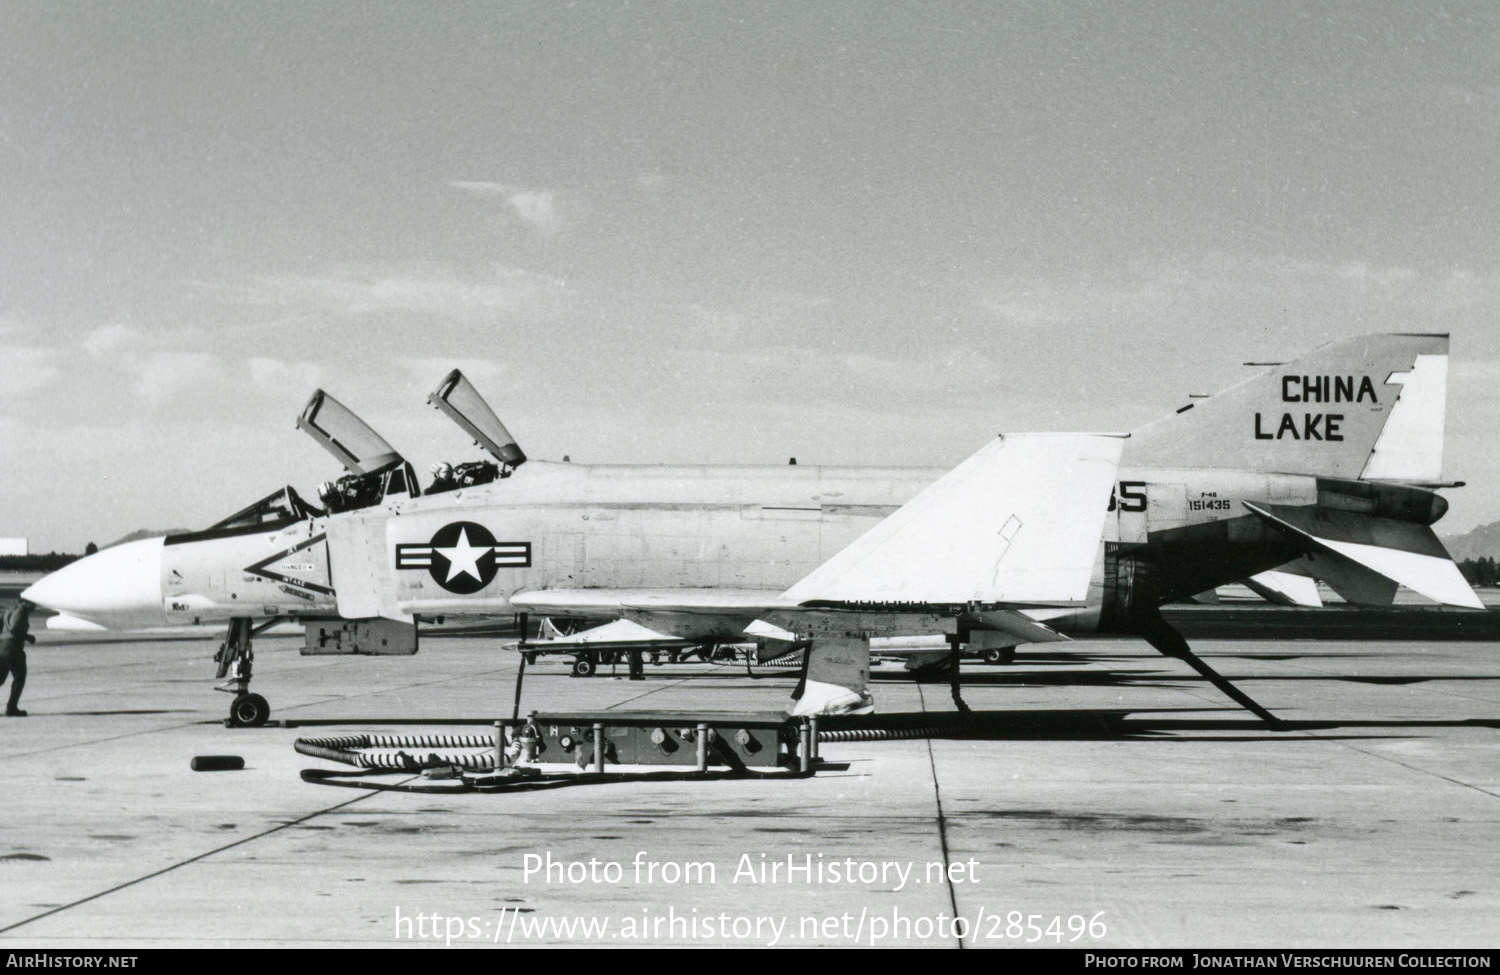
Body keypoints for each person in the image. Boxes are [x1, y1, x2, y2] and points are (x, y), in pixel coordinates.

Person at [1, 600, 36, 717]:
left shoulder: (10, 609)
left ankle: (11, 707)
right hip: (13, 647)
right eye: (32, 603)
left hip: (3, 646)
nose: (34, 606)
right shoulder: (21, 611)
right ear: (25, 602)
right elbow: (15, 628)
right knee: (19, 678)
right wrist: (28, 637)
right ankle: (11, 708)